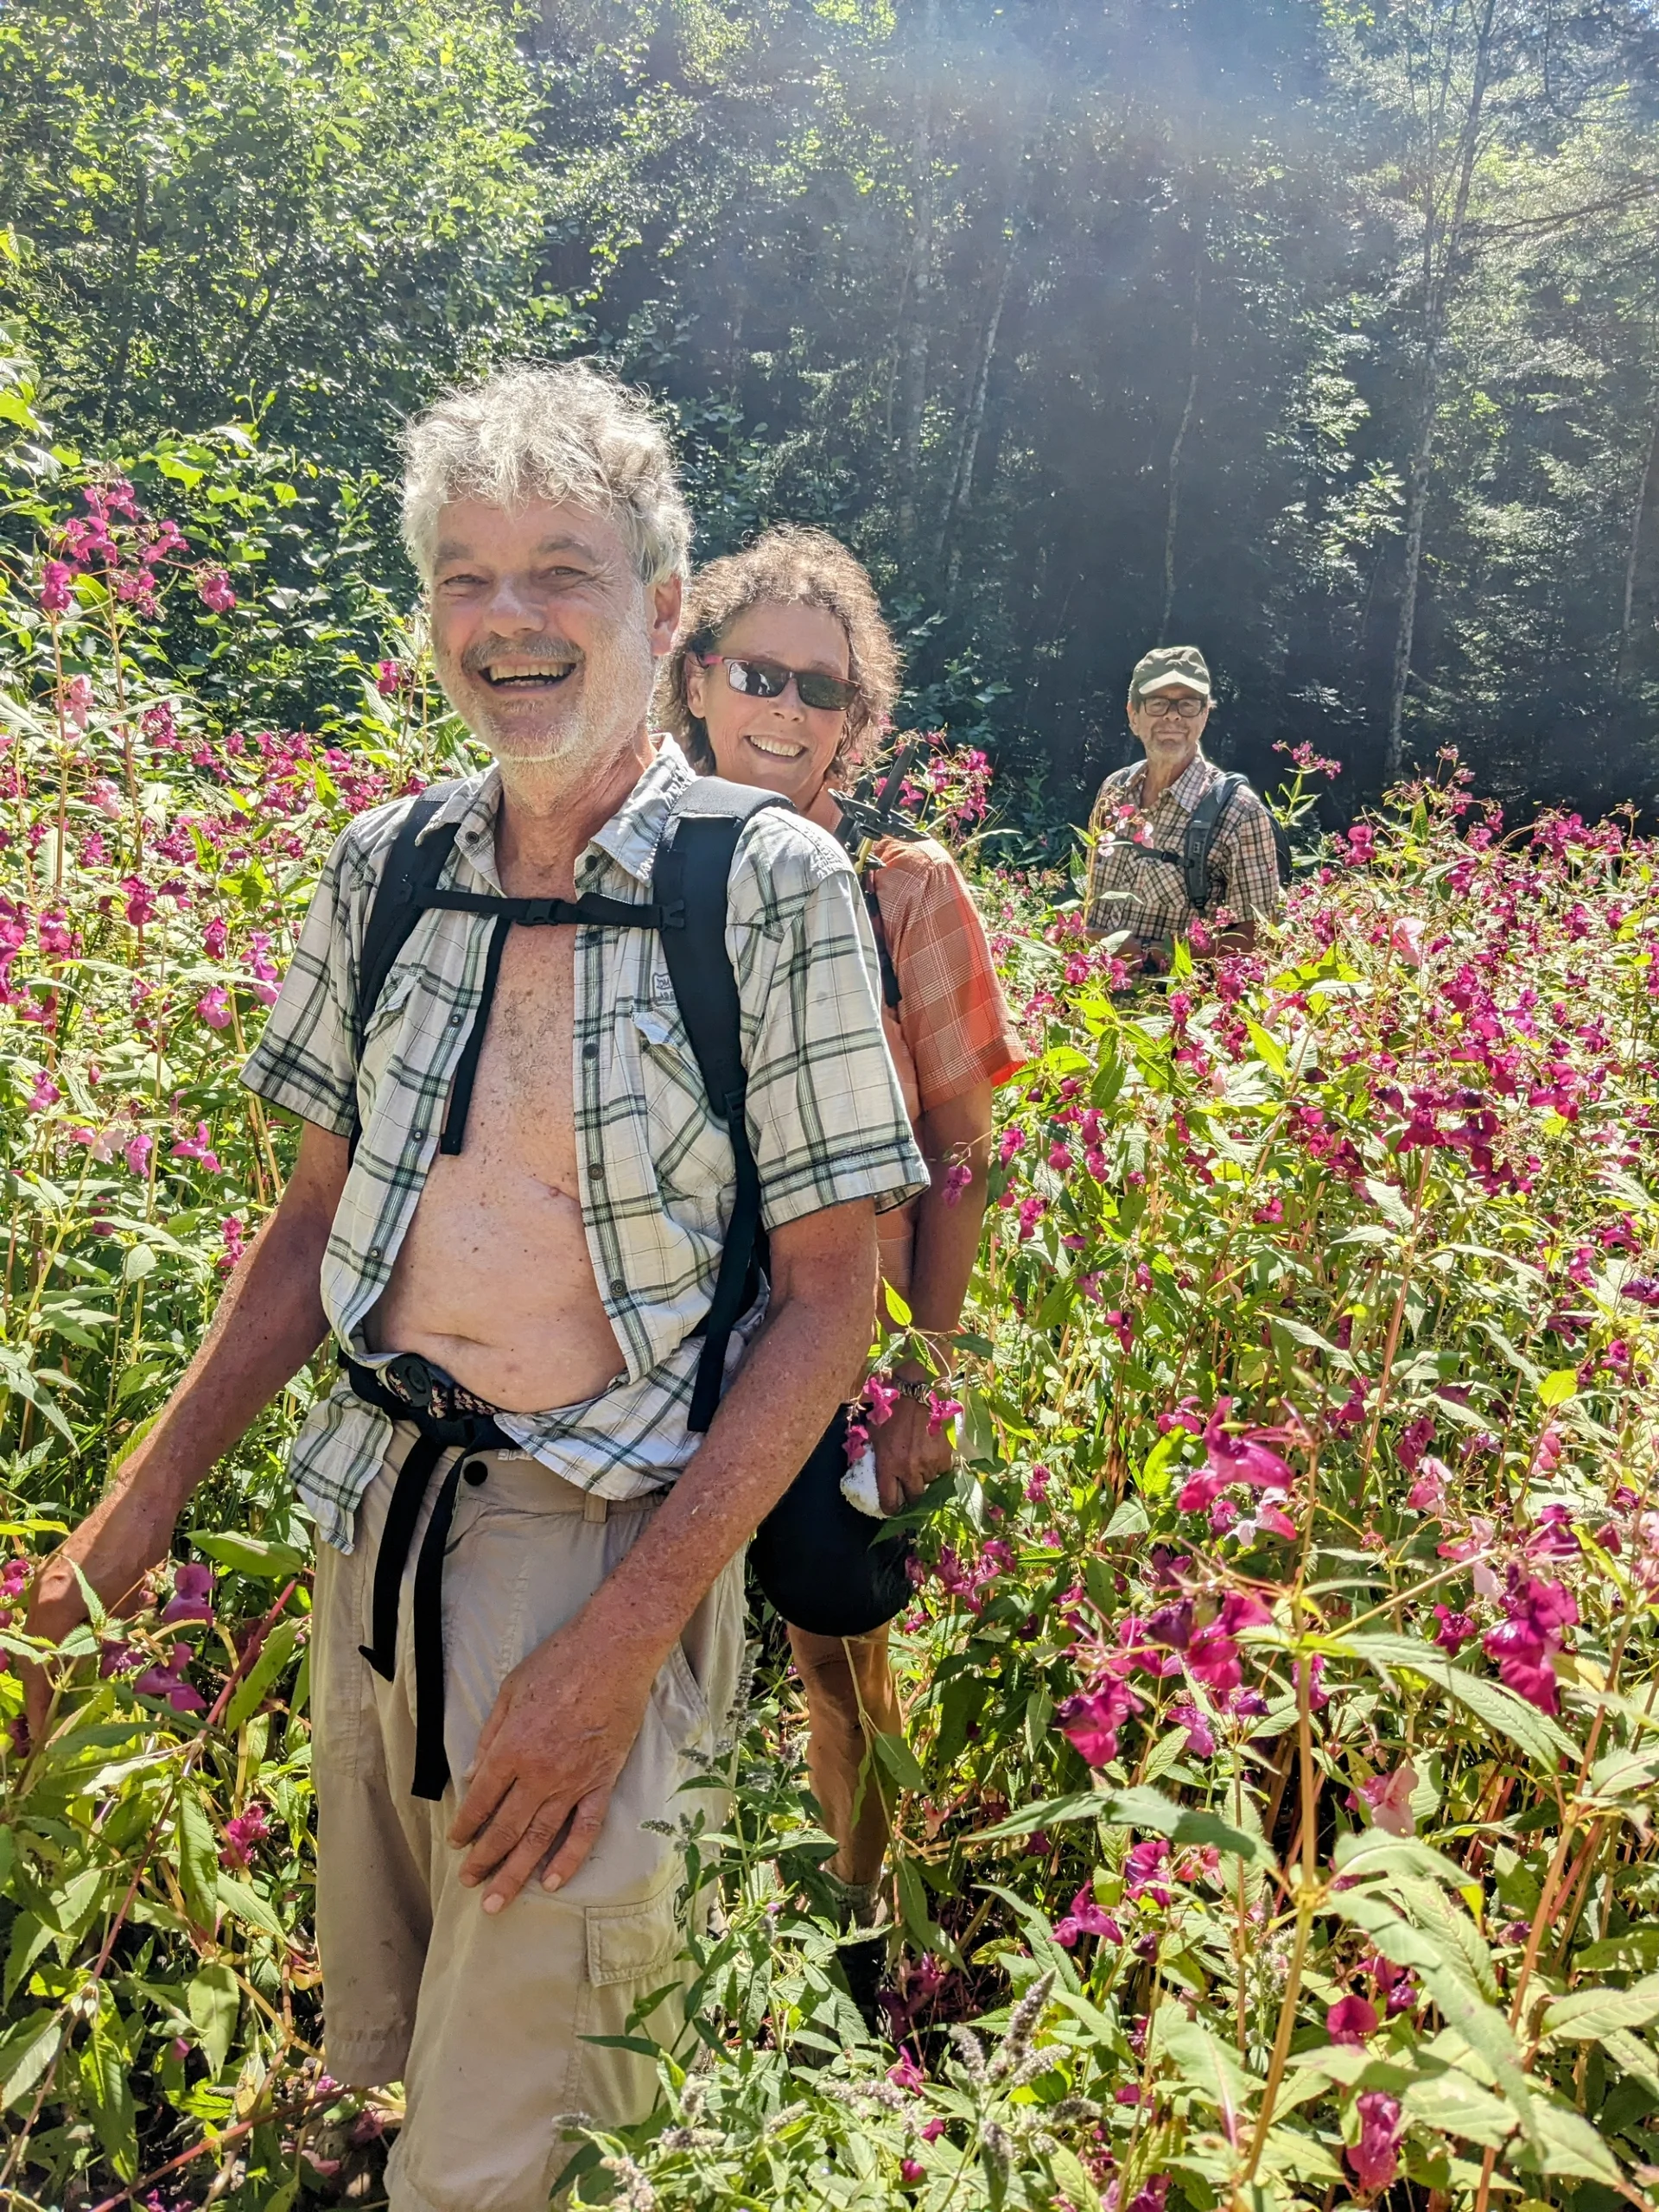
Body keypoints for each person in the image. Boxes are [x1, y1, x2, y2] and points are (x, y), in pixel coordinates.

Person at [25, 367, 928, 2212]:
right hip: (375, 1530)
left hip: (602, 1545)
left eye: (562, 571)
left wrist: (611, 1656)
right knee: (398, 2055)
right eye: (465, 575)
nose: (509, 620)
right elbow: (307, 1229)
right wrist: (125, 1522)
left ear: (662, 611)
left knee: (511, 2156)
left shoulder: (768, 886)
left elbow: (837, 1298)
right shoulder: (387, 867)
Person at [658, 524, 1022, 1999]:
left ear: (861, 726)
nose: (787, 710)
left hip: (838, 1359)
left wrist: (924, 1385)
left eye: (825, 688)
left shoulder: (901, 895)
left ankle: (864, 1940)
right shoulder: (620, 871)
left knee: (836, 1651)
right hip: (653, 1344)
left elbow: (963, 1148)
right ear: (694, 679)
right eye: (758, 672)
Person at [1083, 644, 1283, 965]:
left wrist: (1149, 958)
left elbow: (1260, 939)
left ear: (1203, 716)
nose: (1173, 715)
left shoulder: (1238, 812)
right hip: (1090, 1000)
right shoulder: (1114, 790)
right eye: (1158, 703)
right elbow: (1093, 902)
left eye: (1188, 705)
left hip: (1168, 1009)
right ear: (1133, 715)